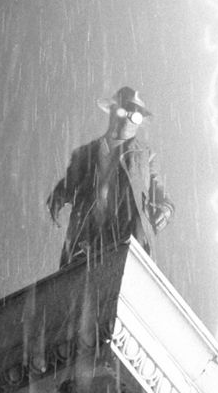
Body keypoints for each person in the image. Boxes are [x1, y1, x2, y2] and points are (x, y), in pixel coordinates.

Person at [47, 86, 174, 268]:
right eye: (126, 109)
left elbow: (159, 192)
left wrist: (166, 209)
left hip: (127, 233)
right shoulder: (85, 153)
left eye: (136, 113)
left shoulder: (146, 156)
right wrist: (58, 197)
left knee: (123, 273)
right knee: (80, 275)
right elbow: (68, 184)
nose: (130, 117)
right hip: (86, 234)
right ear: (113, 110)